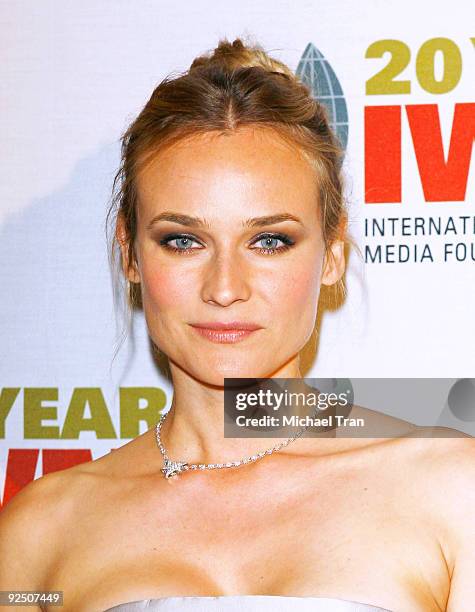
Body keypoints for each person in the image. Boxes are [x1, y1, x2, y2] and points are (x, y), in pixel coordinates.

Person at [0, 37, 474, 612]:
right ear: (129, 253)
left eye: (269, 241)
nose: (225, 288)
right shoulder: (39, 531)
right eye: (183, 241)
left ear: (332, 254)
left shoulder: (453, 489)